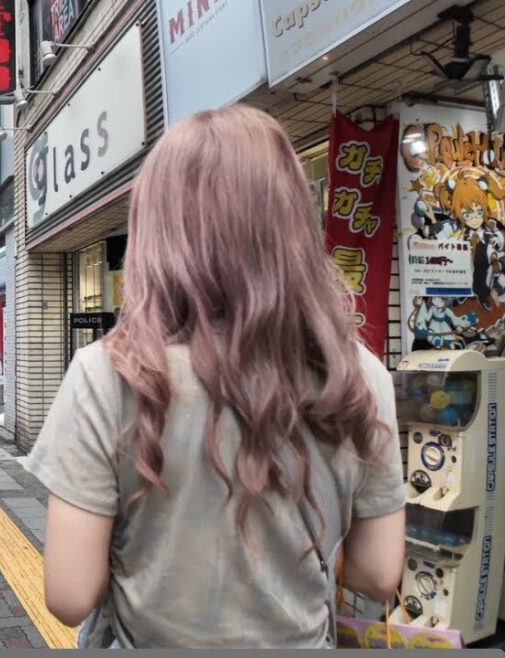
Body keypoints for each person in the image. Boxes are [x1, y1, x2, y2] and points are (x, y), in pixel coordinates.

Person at [23, 105, 405, 648]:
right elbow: (378, 572)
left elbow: (69, 593)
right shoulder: (358, 374)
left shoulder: (110, 372)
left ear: (159, 232)